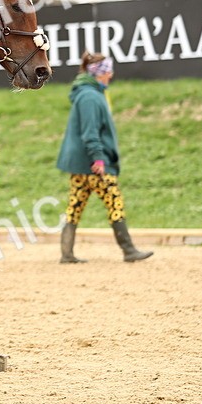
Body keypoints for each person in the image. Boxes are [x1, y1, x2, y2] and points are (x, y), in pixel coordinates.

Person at [56, 51, 153, 264]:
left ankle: (67, 253)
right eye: (108, 70)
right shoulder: (90, 97)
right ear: (98, 73)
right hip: (92, 164)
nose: (111, 74)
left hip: (80, 164)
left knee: (75, 206)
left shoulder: (88, 93)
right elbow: (90, 132)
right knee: (114, 201)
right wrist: (98, 159)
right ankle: (128, 250)